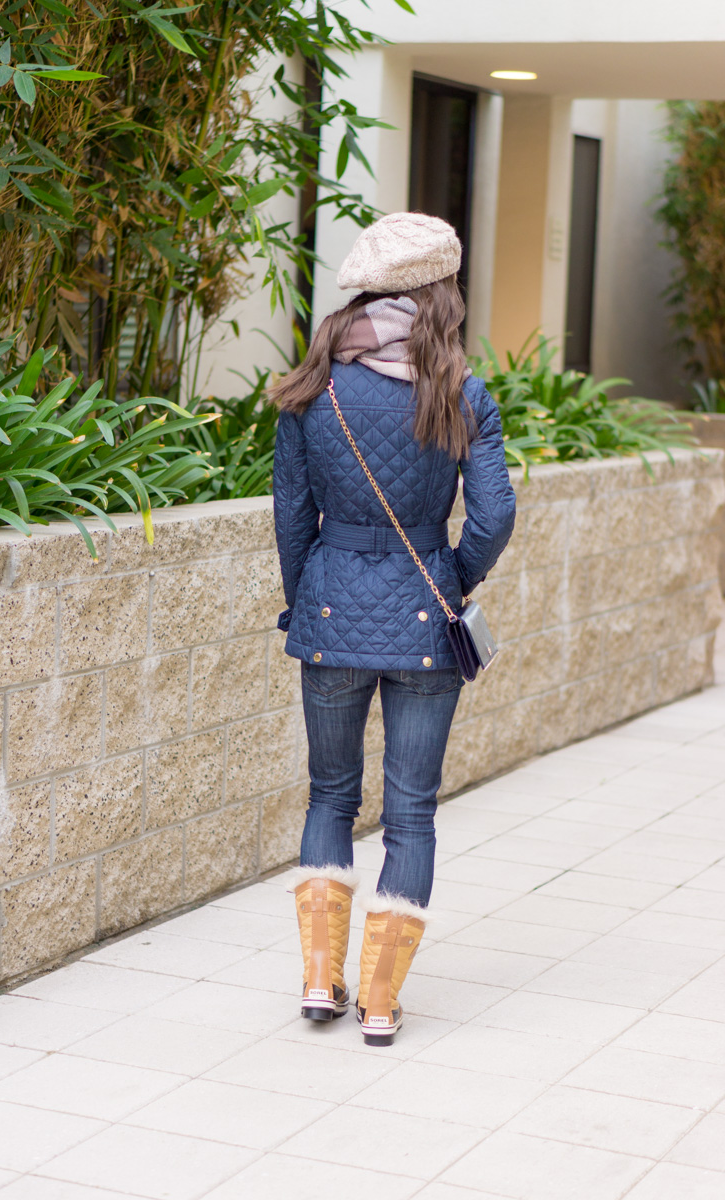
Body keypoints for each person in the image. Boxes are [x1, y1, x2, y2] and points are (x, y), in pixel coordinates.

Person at [271, 212, 516, 1046]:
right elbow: (495, 513)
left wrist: (304, 597)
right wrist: (456, 576)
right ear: (436, 294)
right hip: (424, 615)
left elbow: (291, 519)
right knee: (411, 810)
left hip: (330, 609)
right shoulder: (459, 387)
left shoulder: (313, 387)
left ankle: (316, 981)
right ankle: (378, 1002)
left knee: (330, 795)